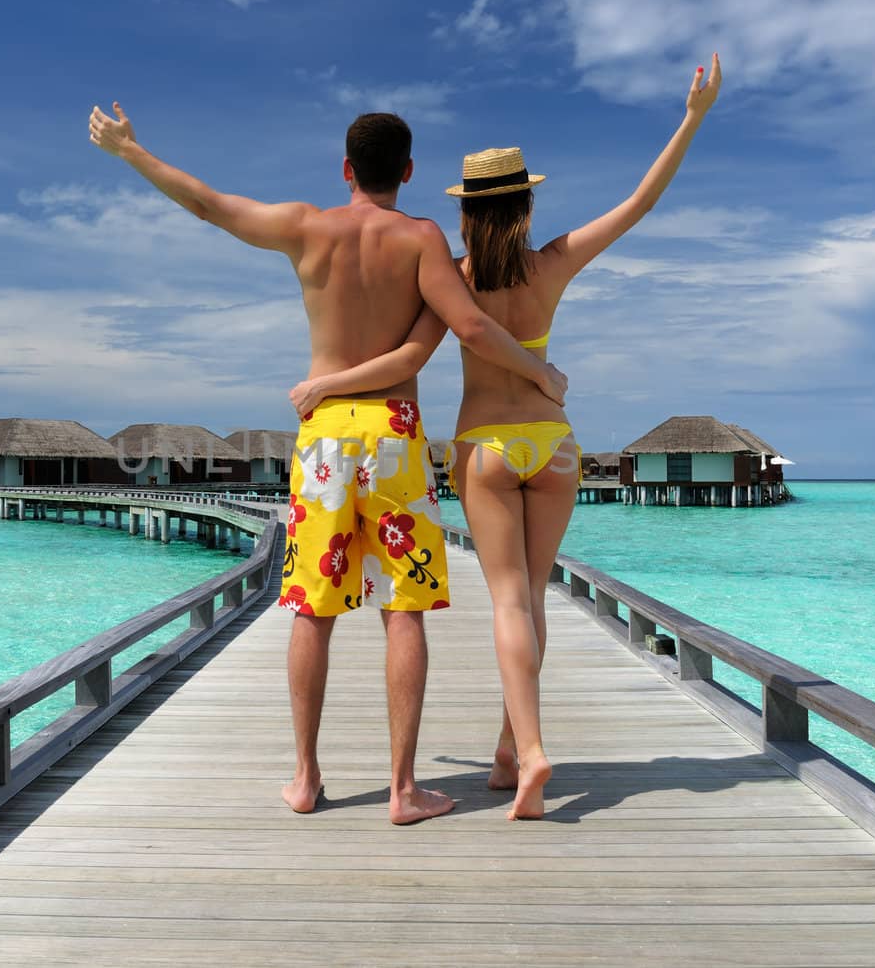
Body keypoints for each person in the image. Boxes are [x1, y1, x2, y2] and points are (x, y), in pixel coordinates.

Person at [89, 105, 568, 824]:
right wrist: (541, 376)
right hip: (395, 432)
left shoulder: (305, 228)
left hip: (323, 438)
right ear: (407, 172)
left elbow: (209, 204)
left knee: (312, 612)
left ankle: (306, 778)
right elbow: (468, 326)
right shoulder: (421, 239)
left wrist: (131, 151)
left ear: (347, 169)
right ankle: (403, 791)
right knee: (402, 610)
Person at [290, 55, 722, 819]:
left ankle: (525, 754)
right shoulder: (552, 263)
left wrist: (327, 383)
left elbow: (419, 349)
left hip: (484, 445)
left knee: (507, 604)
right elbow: (639, 205)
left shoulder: (449, 272)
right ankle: (505, 749)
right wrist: (690, 119)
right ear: (524, 205)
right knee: (536, 596)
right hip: (553, 444)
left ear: (464, 212)